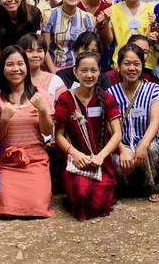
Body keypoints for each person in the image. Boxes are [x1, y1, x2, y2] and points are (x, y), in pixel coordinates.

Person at [54, 51, 122, 220]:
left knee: (99, 200)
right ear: (75, 71)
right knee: (82, 193)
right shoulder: (65, 98)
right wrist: (74, 153)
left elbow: (117, 134)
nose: (89, 75)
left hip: (101, 162)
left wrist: (101, 156)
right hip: (76, 162)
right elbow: (59, 135)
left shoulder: (106, 97)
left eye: (93, 70)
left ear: (100, 71)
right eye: (84, 70)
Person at [0, 46, 54, 218]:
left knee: (37, 207)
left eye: (20, 64)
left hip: (36, 160)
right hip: (7, 161)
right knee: (6, 207)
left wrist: (42, 110)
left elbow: (47, 132)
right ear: (2, 68)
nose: (16, 69)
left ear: (26, 66)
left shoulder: (41, 96)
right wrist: (4, 119)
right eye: (10, 64)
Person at [108, 44, 159, 200]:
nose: (132, 68)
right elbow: (110, 128)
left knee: (151, 149)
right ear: (118, 66)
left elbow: (155, 120)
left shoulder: (153, 89)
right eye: (127, 64)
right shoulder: (110, 94)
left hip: (147, 141)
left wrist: (143, 145)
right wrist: (122, 149)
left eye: (136, 64)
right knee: (117, 159)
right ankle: (128, 187)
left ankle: (151, 186)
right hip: (122, 144)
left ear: (142, 66)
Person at [100, 0, 157, 69]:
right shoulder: (113, 10)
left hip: (146, 63)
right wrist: (106, 21)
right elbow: (108, 41)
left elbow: (151, 40)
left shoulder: (151, 10)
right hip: (121, 63)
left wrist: (153, 28)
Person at [43, 0, 94, 71]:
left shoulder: (88, 18)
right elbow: (44, 49)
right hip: (53, 67)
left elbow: (89, 50)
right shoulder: (50, 15)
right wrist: (54, 73)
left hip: (78, 69)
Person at [18, 33, 66, 106]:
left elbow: (63, 109)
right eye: (30, 51)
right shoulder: (15, 79)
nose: (36, 55)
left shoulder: (55, 80)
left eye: (40, 51)